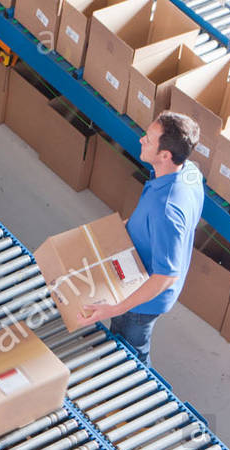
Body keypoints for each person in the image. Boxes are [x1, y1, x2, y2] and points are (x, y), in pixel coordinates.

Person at [80, 112, 205, 365]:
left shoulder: (167, 209)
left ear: (165, 156)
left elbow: (166, 276)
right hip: (137, 268)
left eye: (148, 139)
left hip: (141, 300)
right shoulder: (189, 172)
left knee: (130, 355)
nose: (141, 141)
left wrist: (116, 308)